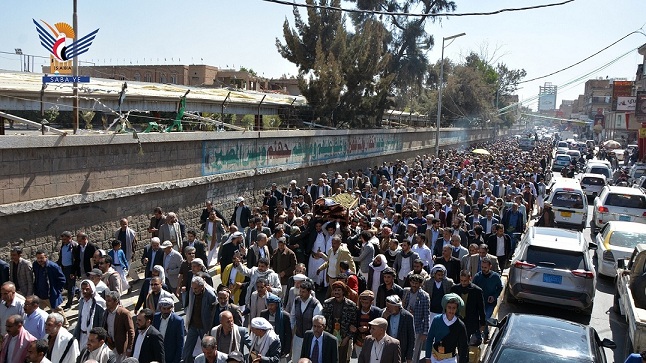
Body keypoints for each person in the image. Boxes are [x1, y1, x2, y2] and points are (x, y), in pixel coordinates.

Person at [424, 293, 468, 363]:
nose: (451, 310)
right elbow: (430, 338)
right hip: (435, 358)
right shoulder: (437, 320)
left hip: (450, 359)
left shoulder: (460, 325)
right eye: (449, 307)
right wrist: (427, 357)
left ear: (457, 309)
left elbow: (463, 347)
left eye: (454, 308)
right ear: (445, 307)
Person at [321, 281, 357, 363]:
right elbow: (323, 321)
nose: (336, 292)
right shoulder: (327, 303)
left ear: (343, 291)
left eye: (339, 290)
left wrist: (346, 338)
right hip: (330, 336)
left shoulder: (351, 305)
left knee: (342, 360)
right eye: (335, 290)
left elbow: (353, 324)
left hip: (344, 338)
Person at [183, 276, 217, 363]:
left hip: (204, 327)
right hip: (193, 326)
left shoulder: (210, 295)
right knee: (186, 351)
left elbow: (213, 313)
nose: (194, 290)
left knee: (208, 350)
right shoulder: (192, 292)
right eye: (193, 288)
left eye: (196, 288)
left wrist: (210, 329)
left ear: (202, 286)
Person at [450, 271, 485, 346]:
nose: (463, 283)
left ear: (470, 279)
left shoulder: (477, 291)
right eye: (461, 280)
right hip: (457, 320)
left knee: (465, 342)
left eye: (465, 281)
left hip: (470, 321)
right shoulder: (454, 289)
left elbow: (481, 308)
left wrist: (482, 323)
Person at [290, 281, 323, 363]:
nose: (301, 294)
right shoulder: (297, 301)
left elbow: (316, 324)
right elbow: (292, 316)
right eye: (300, 291)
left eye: (303, 292)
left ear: (309, 292)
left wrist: (310, 336)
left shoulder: (316, 305)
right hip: (298, 337)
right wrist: (291, 328)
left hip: (310, 339)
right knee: (295, 359)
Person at [472, 258, 503, 342]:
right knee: (479, 320)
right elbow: (472, 288)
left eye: (485, 267)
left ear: (490, 267)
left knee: (485, 318)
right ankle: (482, 335)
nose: (483, 269)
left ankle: (492, 326)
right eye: (482, 267)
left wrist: (494, 296)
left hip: (490, 304)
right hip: (479, 303)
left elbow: (500, 288)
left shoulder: (495, 277)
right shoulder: (477, 277)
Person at [32, 250, 67, 324]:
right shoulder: (35, 265)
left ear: (46, 257)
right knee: (38, 311)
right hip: (40, 294)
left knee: (57, 311)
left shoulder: (53, 266)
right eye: (38, 258)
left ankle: (65, 324)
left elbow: (62, 280)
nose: (39, 260)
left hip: (51, 295)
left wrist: (57, 291)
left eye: (41, 258)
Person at [402, 274, 430, 363]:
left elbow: (426, 314)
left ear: (421, 284)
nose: (414, 285)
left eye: (416, 283)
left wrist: (425, 332)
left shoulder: (424, 296)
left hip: (418, 327)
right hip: (405, 325)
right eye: (412, 282)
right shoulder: (406, 292)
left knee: (415, 351)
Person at [103, 291, 135, 363]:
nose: (106, 303)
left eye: (109, 301)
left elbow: (131, 332)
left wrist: (129, 349)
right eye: (106, 301)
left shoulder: (124, 313)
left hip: (120, 348)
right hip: (110, 345)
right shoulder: (106, 312)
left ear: (116, 301)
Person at [73, 280, 106, 348]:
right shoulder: (82, 302)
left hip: (94, 338)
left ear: (92, 289)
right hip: (82, 335)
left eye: (87, 289)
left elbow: (101, 323)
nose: (84, 291)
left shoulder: (99, 303)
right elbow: (80, 319)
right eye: (82, 289)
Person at [350, 290, 383, 358]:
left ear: (371, 302)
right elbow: (353, 324)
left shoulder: (377, 312)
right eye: (363, 302)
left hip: (373, 342)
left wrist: (368, 329)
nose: (364, 304)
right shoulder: (356, 311)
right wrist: (354, 329)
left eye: (366, 303)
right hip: (359, 343)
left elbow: (380, 327)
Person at [260, 294, 291, 363]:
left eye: (272, 305)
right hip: (266, 344)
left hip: (279, 345)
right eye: (268, 305)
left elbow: (288, 334)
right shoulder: (263, 314)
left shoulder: (285, 316)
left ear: (276, 305)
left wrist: (286, 350)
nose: (270, 307)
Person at [383, 295, 415, 363]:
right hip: (386, 350)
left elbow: (411, 338)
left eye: (389, 307)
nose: (387, 308)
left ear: (396, 306)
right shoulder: (384, 314)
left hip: (401, 352)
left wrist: (409, 357)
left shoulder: (408, 317)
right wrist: (384, 318)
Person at [152, 297, 184, 363]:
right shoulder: (155, 318)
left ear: (172, 308)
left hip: (170, 356)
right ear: (160, 308)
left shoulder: (178, 321)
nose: (166, 311)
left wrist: (177, 360)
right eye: (164, 309)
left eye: (168, 308)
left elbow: (180, 343)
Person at [57, 231, 79, 310]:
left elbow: (76, 260)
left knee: (70, 287)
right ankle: (78, 291)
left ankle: (69, 304)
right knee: (64, 284)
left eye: (65, 239)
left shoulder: (74, 246)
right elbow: (61, 257)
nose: (64, 241)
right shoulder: (63, 245)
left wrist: (74, 271)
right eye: (63, 240)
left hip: (71, 269)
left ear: (70, 238)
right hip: (64, 268)